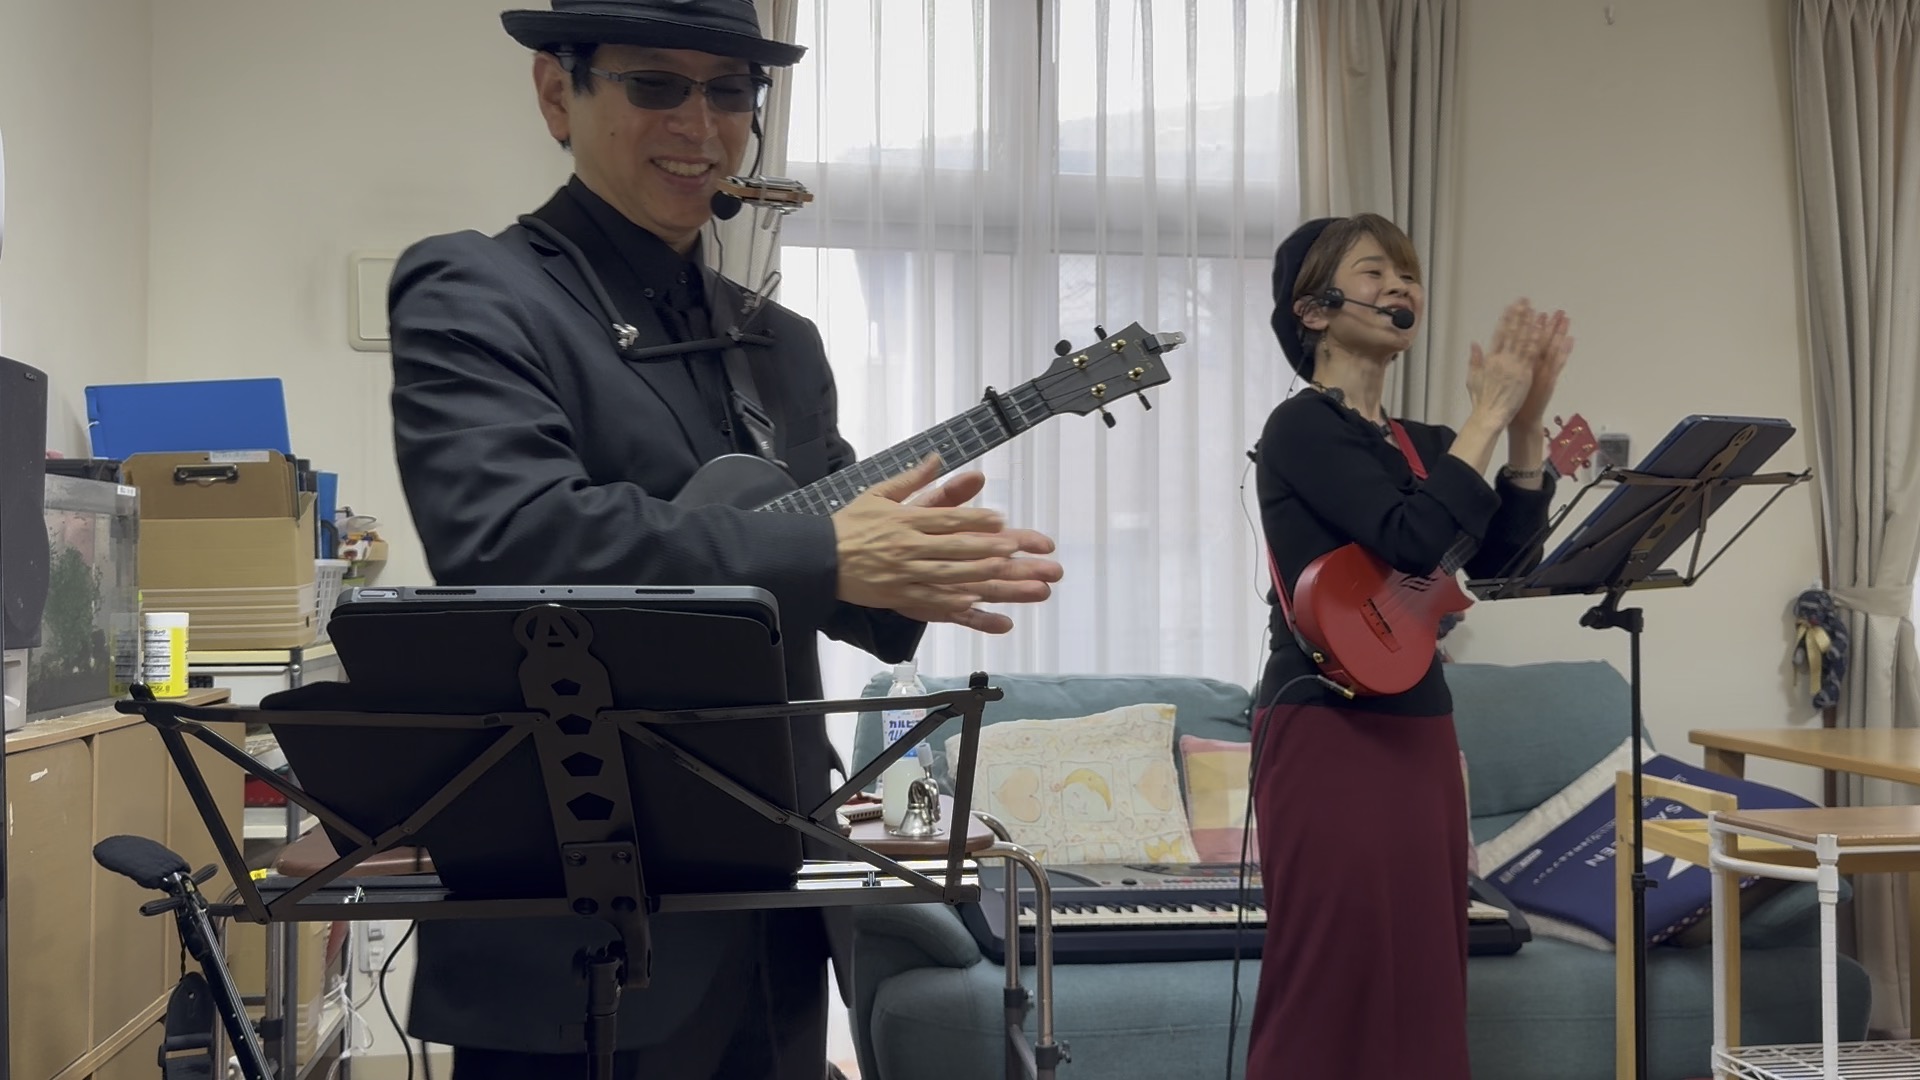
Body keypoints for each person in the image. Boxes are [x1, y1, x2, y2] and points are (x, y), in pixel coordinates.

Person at [383, 2, 1063, 1077]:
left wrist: (913, 565)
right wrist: (830, 555)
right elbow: (511, 538)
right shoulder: (474, 289)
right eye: (656, 84)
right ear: (558, 93)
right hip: (569, 927)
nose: (701, 124)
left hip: (773, 914)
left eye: (732, 90)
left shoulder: (781, 343)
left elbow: (839, 585)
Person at [1248, 213, 1573, 1079]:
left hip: (1420, 722)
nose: (1402, 286)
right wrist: (1487, 412)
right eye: (1375, 271)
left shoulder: (1426, 445)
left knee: (1424, 965)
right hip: (1323, 724)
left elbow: (1503, 567)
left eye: (1408, 274)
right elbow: (1410, 538)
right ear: (1313, 310)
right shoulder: (1300, 430)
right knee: (1329, 966)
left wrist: (1524, 428)